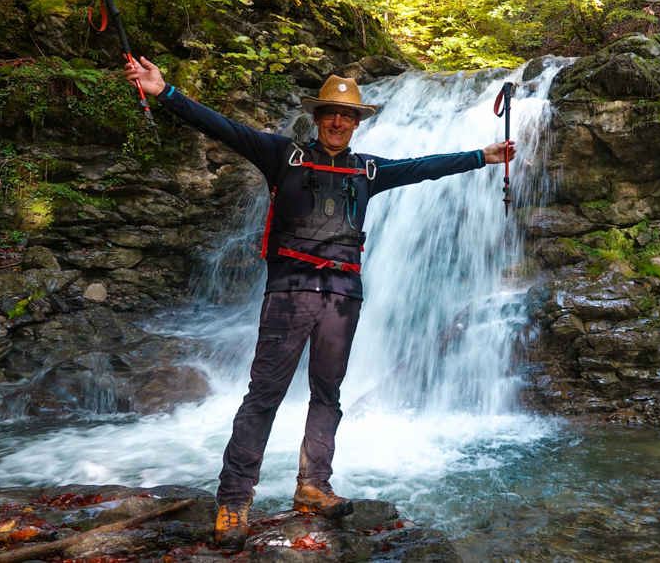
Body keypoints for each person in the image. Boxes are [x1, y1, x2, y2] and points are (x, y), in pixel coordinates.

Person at [123, 57, 515, 548]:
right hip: (289, 294)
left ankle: (313, 486)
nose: (337, 121)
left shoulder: (368, 170)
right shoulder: (280, 156)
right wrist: (166, 93)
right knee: (264, 395)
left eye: (347, 116)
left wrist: (485, 156)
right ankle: (234, 501)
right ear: (318, 117)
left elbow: (424, 168)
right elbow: (221, 127)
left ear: (356, 124)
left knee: (327, 396)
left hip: (343, 298)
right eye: (331, 112)